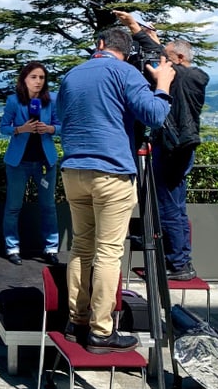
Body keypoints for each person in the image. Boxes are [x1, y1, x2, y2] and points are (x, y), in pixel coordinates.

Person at [56, 26, 174, 352]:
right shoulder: (124, 73)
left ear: (100, 44)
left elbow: (62, 119)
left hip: (73, 171)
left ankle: (75, 320)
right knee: (109, 252)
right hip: (112, 173)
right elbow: (155, 115)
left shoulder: (72, 76)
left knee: (81, 247)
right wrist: (162, 85)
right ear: (126, 51)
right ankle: (101, 330)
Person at [115, 11, 209, 281]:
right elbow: (161, 56)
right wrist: (152, 37)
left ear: (179, 59)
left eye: (169, 57)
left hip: (172, 149)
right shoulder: (192, 77)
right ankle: (180, 261)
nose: (163, 61)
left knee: (168, 207)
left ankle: (177, 264)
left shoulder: (188, 76)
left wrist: (134, 27)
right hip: (181, 148)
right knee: (176, 207)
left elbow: (160, 58)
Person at [0, 61, 61, 265]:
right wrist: (20, 129)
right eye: (33, 77)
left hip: (45, 162)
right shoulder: (14, 101)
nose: (38, 81)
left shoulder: (51, 100)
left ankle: (51, 248)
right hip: (19, 162)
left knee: (48, 207)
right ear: (24, 79)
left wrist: (50, 129)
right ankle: (12, 247)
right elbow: (3, 127)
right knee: (13, 207)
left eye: (41, 78)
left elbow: (61, 125)